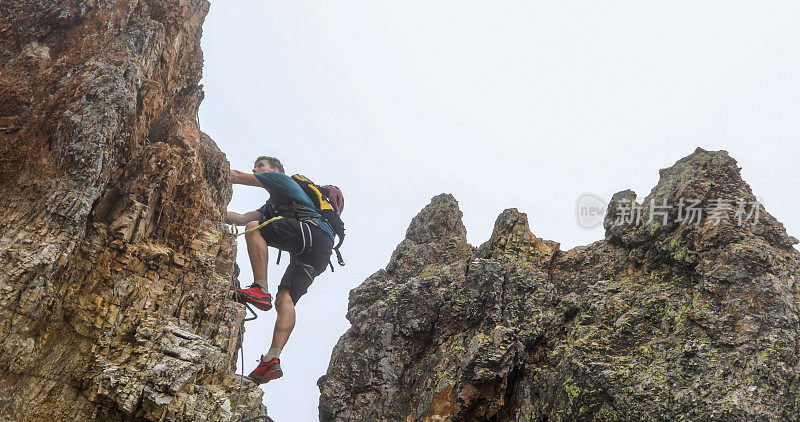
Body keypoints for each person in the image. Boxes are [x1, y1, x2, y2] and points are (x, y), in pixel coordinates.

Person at [225, 156, 334, 384]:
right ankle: (272, 359)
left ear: (274, 170)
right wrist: (213, 209)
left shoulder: (280, 179)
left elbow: (235, 176)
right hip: (319, 248)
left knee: (256, 228)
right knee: (285, 299)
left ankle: (259, 289)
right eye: (255, 166)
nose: (255, 169)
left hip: (310, 231)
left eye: (260, 166)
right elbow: (242, 217)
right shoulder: (270, 207)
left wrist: (210, 165)